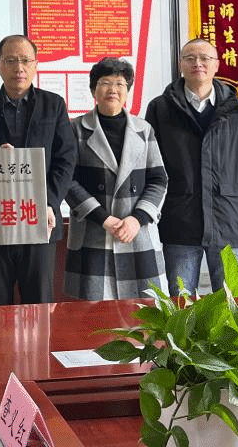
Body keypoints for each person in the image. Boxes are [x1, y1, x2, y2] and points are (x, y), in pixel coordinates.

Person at [0, 34, 77, 305]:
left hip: (40, 221)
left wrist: (48, 203)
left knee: (39, 306)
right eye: (10, 61)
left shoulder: (53, 105)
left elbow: (66, 159)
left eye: (25, 60)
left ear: (35, 65)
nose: (18, 68)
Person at [145, 38, 238, 295]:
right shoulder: (160, 108)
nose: (197, 63)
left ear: (217, 65)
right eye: (190, 58)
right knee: (180, 302)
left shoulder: (236, 109)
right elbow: (150, 166)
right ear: (181, 64)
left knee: (230, 301)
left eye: (205, 58)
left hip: (229, 219)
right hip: (179, 218)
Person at [65, 58, 167, 300]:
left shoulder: (144, 130)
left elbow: (158, 179)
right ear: (94, 90)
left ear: (127, 91)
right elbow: (67, 181)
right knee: (93, 314)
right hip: (94, 232)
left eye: (120, 84)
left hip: (137, 234)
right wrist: (104, 218)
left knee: (145, 311)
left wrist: (137, 219)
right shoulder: (75, 129)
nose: (113, 89)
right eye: (105, 83)